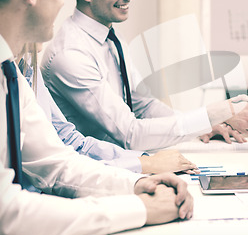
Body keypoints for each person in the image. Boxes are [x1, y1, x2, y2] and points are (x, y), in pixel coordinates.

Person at [0, 0, 193, 235]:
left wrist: (138, 184)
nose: (64, 1)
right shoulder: (47, 57)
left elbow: (56, 163)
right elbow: (7, 219)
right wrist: (139, 209)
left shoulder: (12, 70)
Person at [41, 0, 248, 152]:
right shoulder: (70, 55)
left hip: (122, 161)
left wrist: (201, 127)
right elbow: (130, 133)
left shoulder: (112, 37)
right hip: (91, 172)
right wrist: (214, 114)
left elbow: (142, 105)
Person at [19, 43, 198, 174]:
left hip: (90, 169)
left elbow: (70, 140)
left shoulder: (27, 64)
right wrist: (145, 164)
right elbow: (129, 133)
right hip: (70, 179)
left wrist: (145, 161)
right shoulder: (68, 54)